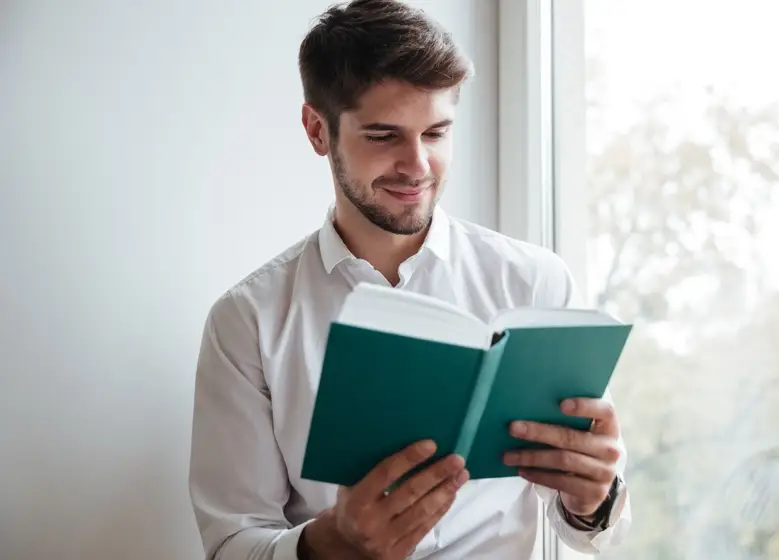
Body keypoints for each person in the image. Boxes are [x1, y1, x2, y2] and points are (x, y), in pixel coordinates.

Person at [187, 1, 631, 558]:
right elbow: (230, 542)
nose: (418, 165)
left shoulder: (535, 283)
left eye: (437, 133)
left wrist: (595, 497)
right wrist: (331, 543)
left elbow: (595, 531)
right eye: (383, 136)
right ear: (317, 130)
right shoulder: (249, 321)